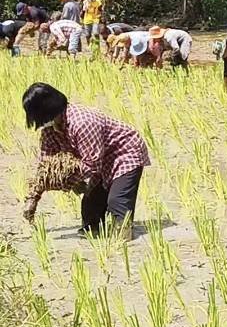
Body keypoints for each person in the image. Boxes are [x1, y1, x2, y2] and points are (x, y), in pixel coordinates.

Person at [21, 83, 150, 239]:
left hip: (124, 153)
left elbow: (92, 164)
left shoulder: (83, 122)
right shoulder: (50, 130)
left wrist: (69, 181)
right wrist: (33, 198)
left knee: (117, 201)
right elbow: (45, 165)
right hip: (99, 159)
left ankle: (122, 236)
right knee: (91, 208)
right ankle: (95, 235)